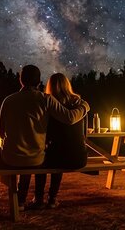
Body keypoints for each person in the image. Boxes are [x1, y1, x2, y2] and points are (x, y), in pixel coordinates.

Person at [0, 65, 89, 214]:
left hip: (10, 157)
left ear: (20, 80)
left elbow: (1, 132)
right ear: (39, 81)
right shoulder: (46, 99)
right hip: (36, 158)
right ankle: (21, 202)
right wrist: (85, 106)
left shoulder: (8, 100)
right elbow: (69, 118)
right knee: (30, 156)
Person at [24, 72, 88, 209]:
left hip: (61, 157)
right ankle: (52, 199)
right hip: (80, 157)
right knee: (58, 152)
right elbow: (84, 133)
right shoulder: (79, 103)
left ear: (50, 86)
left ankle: (39, 198)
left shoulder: (50, 104)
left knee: (43, 158)